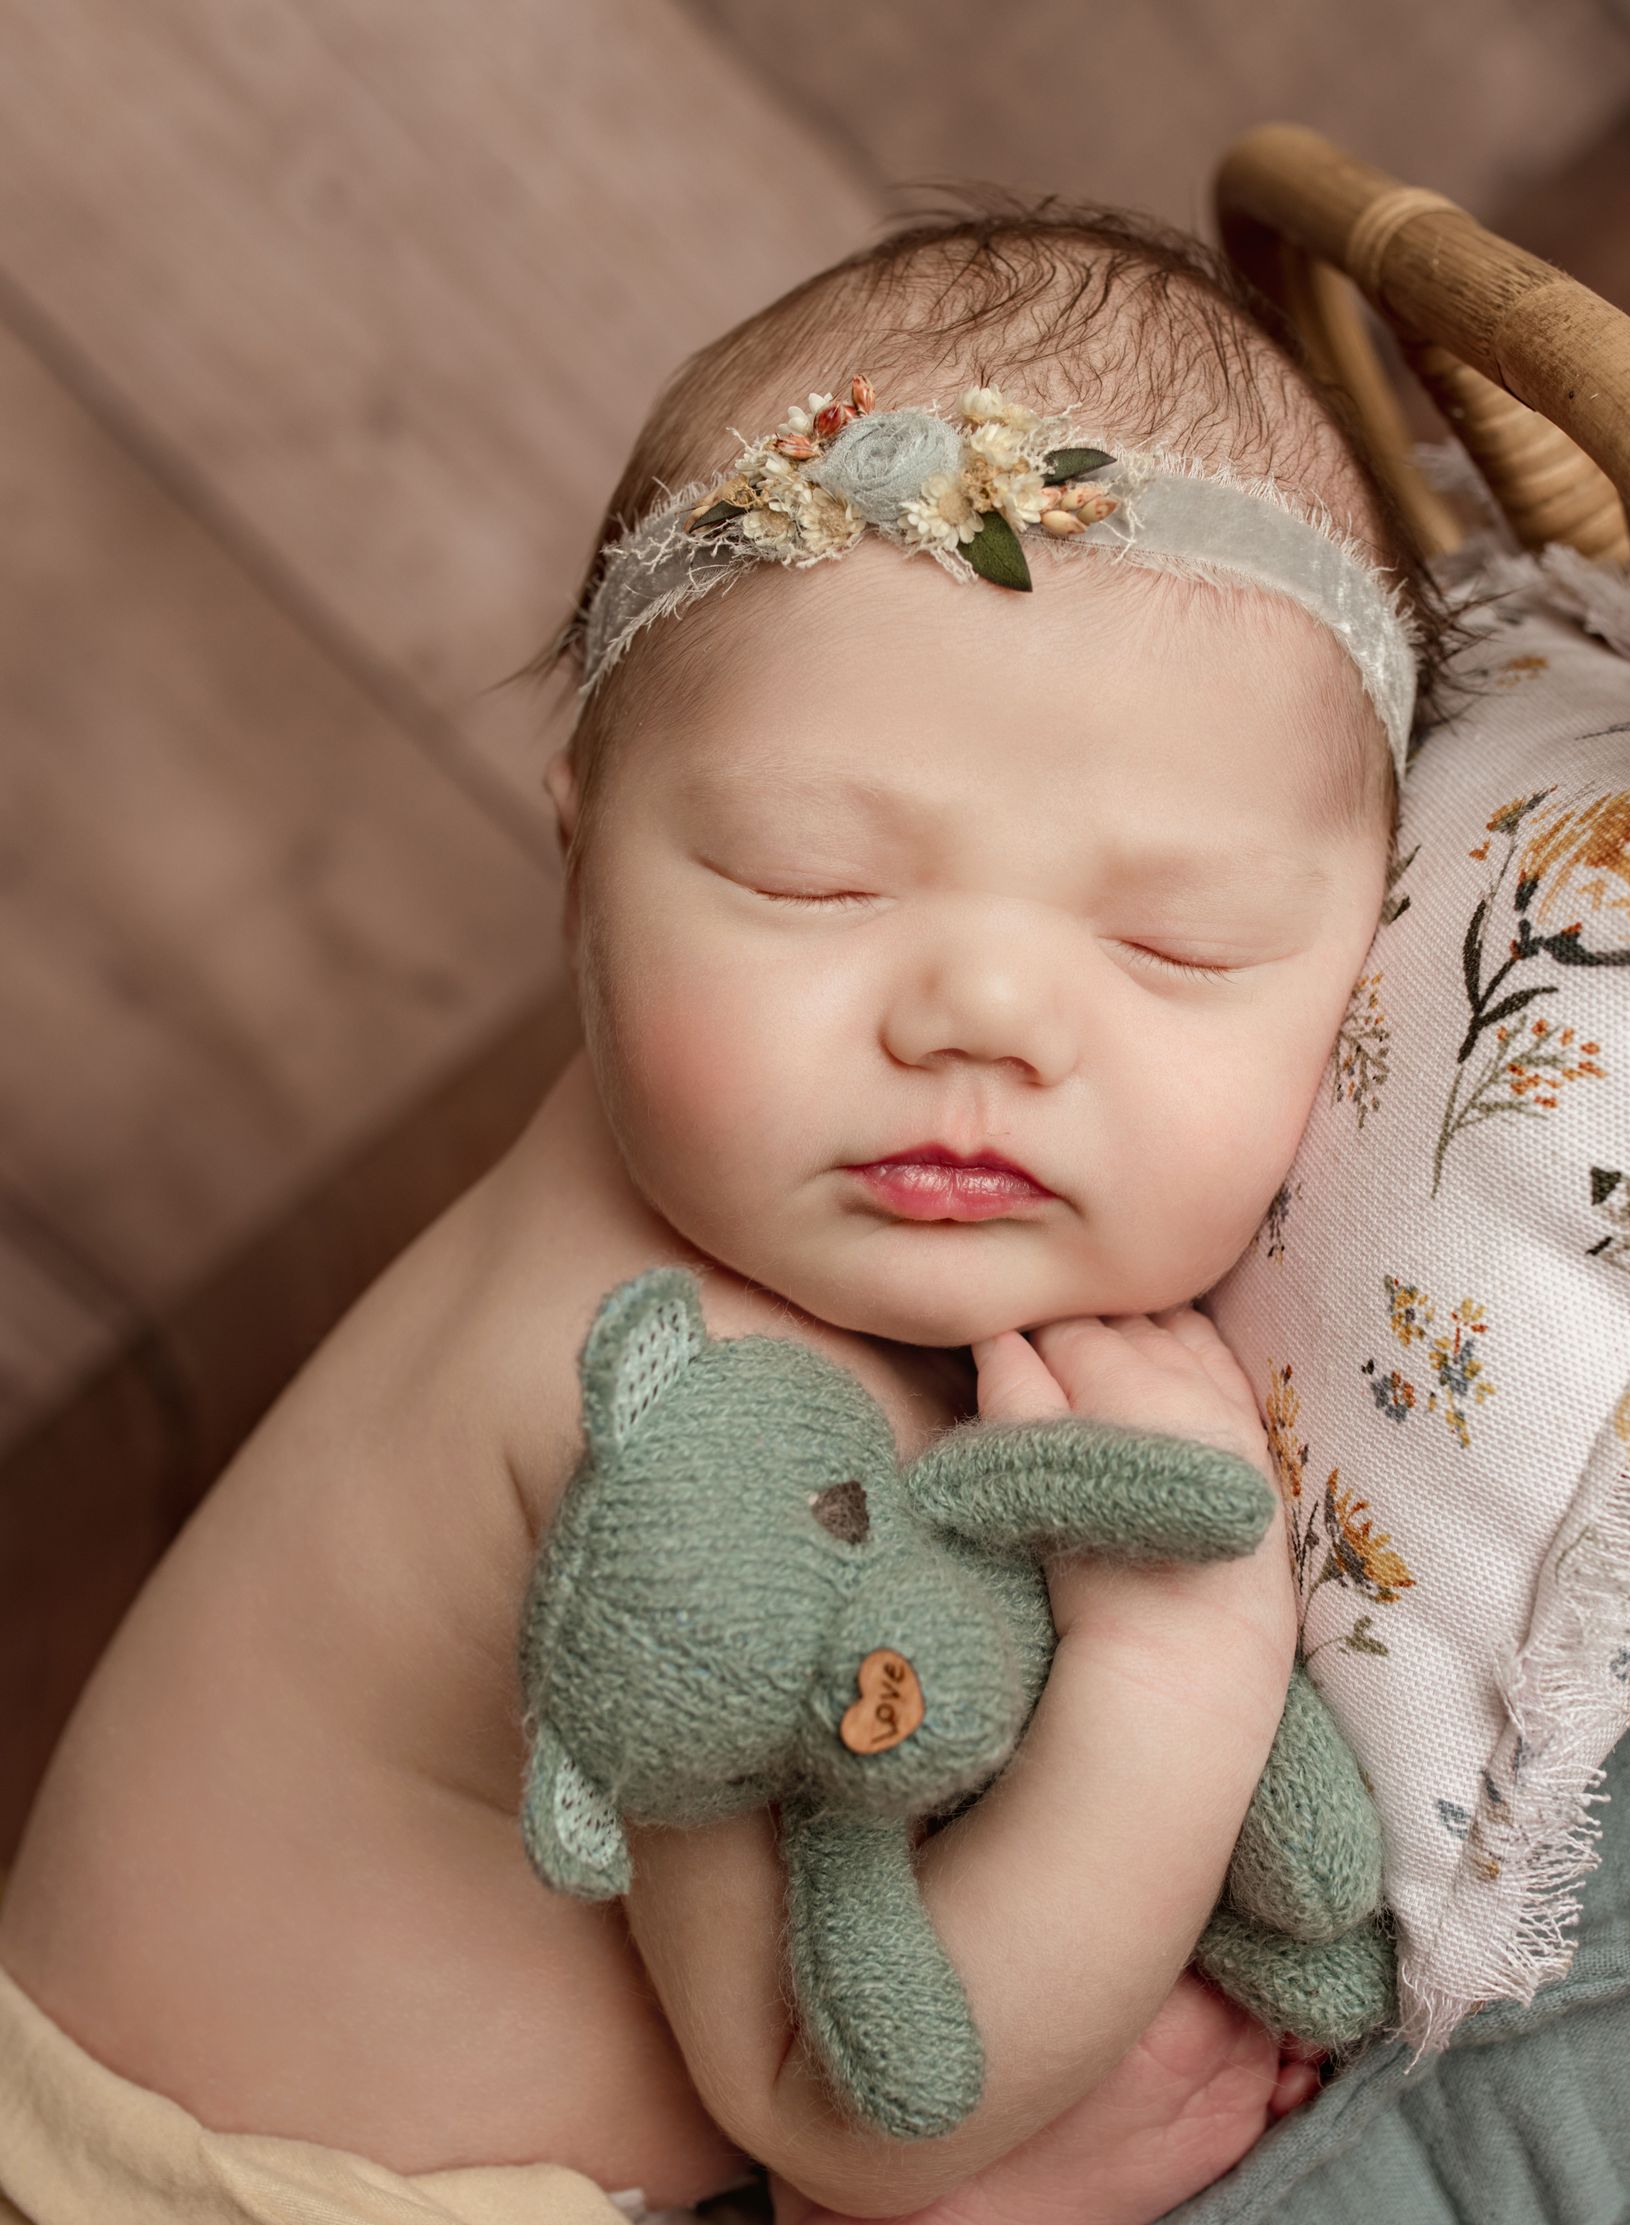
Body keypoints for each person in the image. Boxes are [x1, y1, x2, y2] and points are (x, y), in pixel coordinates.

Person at [0, 195, 1447, 2225]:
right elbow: (851, 2095)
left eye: (1180, 940)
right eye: (807, 883)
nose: (983, 1015)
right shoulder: (694, 1409)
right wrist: (1181, 1677)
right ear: (583, 863)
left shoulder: (724, 1146)